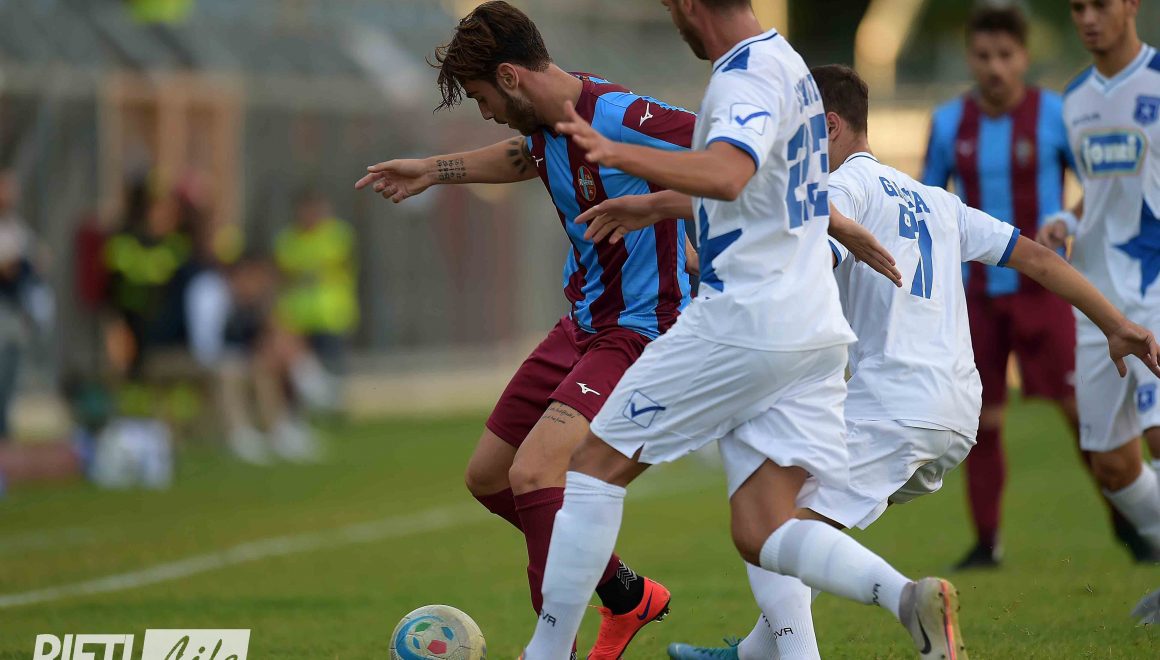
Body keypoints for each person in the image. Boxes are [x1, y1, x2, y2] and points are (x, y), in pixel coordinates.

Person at [517, 2, 976, 658]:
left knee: (592, 466)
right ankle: (905, 598)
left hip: (745, 320)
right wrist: (658, 204)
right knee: (763, 528)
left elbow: (730, 174)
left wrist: (620, 154)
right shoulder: (790, 69)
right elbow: (773, 189)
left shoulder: (744, 76)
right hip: (812, 332)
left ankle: (546, 653)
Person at [665, 64, 1160, 660]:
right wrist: (1115, 324)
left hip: (894, 403)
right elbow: (1036, 258)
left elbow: (809, 260)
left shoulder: (843, 189)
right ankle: (753, 654)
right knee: (799, 525)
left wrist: (710, 267)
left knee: (769, 521)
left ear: (827, 127)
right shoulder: (936, 200)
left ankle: (905, 604)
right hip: (955, 410)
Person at [355, 3, 696, 656]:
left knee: (537, 472)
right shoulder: (547, 124)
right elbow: (524, 157)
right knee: (488, 475)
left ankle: (552, 646)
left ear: (510, 77)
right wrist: (433, 169)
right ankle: (625, 594)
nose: (485, 113)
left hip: (639, 329)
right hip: (581, 324)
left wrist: (661, 205)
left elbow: (737, 167)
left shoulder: (618, 114)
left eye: (482, 97)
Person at [922, 5, 1147, 569]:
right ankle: (987, 543)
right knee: (981, 421)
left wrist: (1067, 223)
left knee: (1079, 413)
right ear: (970, 58)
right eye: (983, 56)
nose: (995, 67)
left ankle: (1133, 527)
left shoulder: (1055, 113)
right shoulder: (948, 124)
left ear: (1023, 57)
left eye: (1005, 55)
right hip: (977, 296)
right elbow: (927, 206)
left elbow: (1099, 187)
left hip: (1047, 292)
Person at [1039, 0, 1160, 578]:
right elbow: (1105, 191)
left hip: (1155, 288)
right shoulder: (1075, 98)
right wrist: (1068, 219)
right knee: (1111, 467)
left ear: (1131, 4)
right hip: (1097, 302)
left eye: (1100, 5)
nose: (1087, 18)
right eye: (1077, 7)